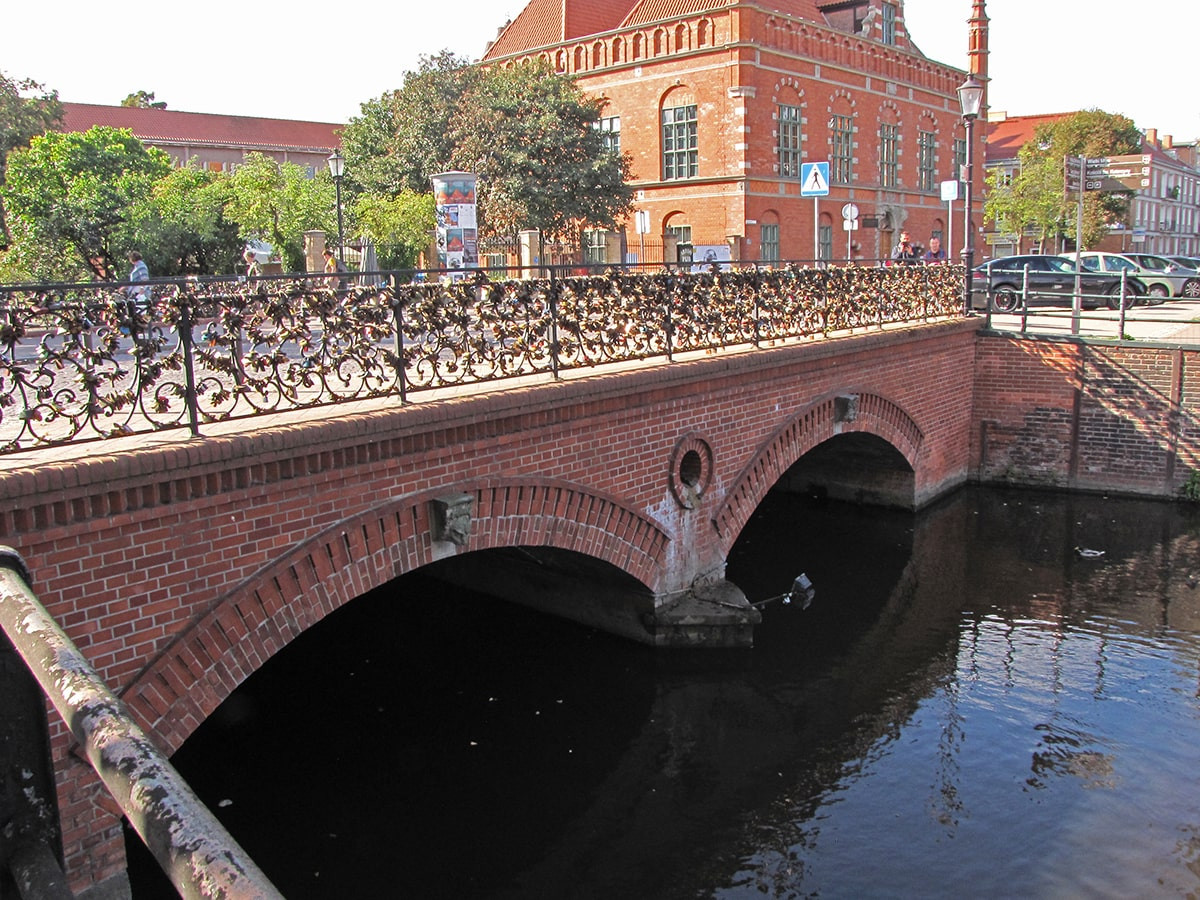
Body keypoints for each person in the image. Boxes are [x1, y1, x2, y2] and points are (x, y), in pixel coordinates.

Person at [125, 250, 151, 319]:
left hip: (139, 292)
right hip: (136, 292)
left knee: (140, 310)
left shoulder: (141, 266)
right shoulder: (137, 266)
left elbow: (144, 278)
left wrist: (142, 288)